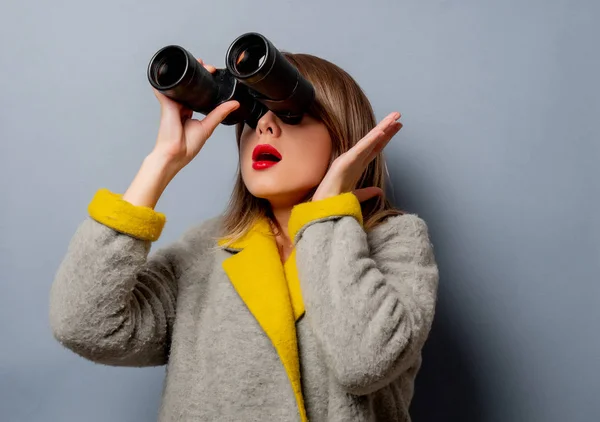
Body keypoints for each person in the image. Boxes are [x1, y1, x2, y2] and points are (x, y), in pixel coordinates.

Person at [49, 51, 439, 422]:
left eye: (291, 113)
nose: (266, 125)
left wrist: (326, 215)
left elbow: (363, 362)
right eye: (255, 114)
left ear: (344, 139)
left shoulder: (395, 242)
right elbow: (84, 325)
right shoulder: (203, 251)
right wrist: (161, 162)